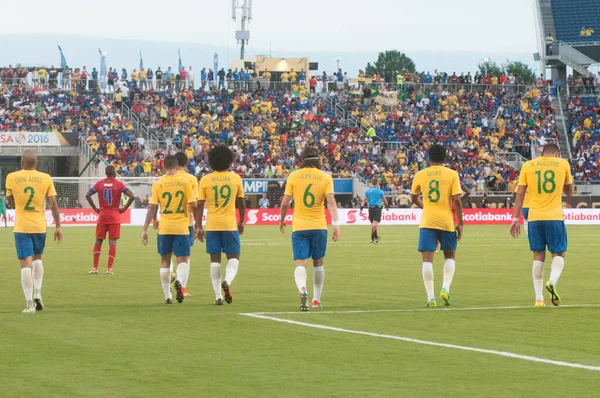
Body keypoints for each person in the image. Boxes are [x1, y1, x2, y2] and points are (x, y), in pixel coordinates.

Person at [510, 144, 574, 308]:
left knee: (538, 256)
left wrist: (515, 219)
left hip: (533, 217)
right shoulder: (563, 164)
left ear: (542, 153)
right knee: (559, 253)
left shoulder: (528, 165)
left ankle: (539, 299)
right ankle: (552, 280)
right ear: (557, 154)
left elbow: (520, 195)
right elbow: (570, 192)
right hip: (554, 216)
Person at [279, 146, 340, 311]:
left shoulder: (294, 176)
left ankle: (302, 289)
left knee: (300, 263)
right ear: (318, 159)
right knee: (318, 262)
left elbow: (285, 202)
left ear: (302, 159)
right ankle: (316, 300)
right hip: (319, 225)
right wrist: (336, 223)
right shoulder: (325, 177)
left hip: (299, 226)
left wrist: (282, 219)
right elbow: (331, 202)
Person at [5, 150, 62, 314]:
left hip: (22, 226)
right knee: (38, 258)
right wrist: (58, 226)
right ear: (36, 163)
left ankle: (29, 304)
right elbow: (53, 205)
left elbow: (11, 202)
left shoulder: (11, 177)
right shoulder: (46, 178)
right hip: (40, 226)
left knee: (25, 264)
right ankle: (38, 293)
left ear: (22, 162)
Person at [411, 144, 463, 308]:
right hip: (446, 221)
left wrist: (425, 207)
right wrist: (460, 223)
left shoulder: (420, 174)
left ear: (428, 158)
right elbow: (457, 200)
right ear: (445, 158)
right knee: (450, 256)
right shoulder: (452, 174)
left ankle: (431, 298)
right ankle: (445, 288)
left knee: (427, 260)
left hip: (427, 221)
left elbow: (414, 198)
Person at [142, 155, 197, 304]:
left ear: (164, 167)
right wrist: (198, 225)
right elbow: (193, 204)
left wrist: (145, 228)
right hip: (182, 226)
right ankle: (179, 281)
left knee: (165, 260)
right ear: (177, 165)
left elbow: (152, 206)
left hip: (164, 227)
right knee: (183, 259)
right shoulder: (186, 182)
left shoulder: (158, 184)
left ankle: (167, 295)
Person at [196, 146, 245, 305]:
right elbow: (241, 202)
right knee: (234, 257)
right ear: (230, 161)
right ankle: (228, 281)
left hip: (212, 225)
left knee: (214, 260)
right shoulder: (235, 179)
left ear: (211, 162)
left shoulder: (205, 180)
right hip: (230, 224)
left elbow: (199, 205)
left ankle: (218, 296)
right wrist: (242, 221)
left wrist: (198, 227)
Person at [85, 166, 135, 275]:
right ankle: (109, 269)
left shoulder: (99, 184)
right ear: (115, 174)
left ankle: (95, 268)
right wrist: (124, 209)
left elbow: (87, 195)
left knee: (98, 240)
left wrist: (95, 208)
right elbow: (132, 196)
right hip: (114, 216)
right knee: (112, 242)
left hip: (102, 215)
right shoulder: (119, 184)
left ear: (106, 173)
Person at [175, 152, 198, 297]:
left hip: (167, 222)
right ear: (185, 164)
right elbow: (194, 203)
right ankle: (182, 286)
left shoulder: (165, 179)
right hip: (186, 221)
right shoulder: (191, 179)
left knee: (166, 256)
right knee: (185, 256)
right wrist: (198, 224)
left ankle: (171, 274)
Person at [360, 178, 389, 244]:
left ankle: (376, 237)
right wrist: (387, 206)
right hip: (377, 209)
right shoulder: (380, 191)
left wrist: (361, 209)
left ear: (371, 183)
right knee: (374, 225)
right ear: (377, 183)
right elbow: (384, 200)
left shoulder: (368, 191)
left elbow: (363, 201)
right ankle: (372, 239)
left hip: (370, 209)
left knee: (373, 224)